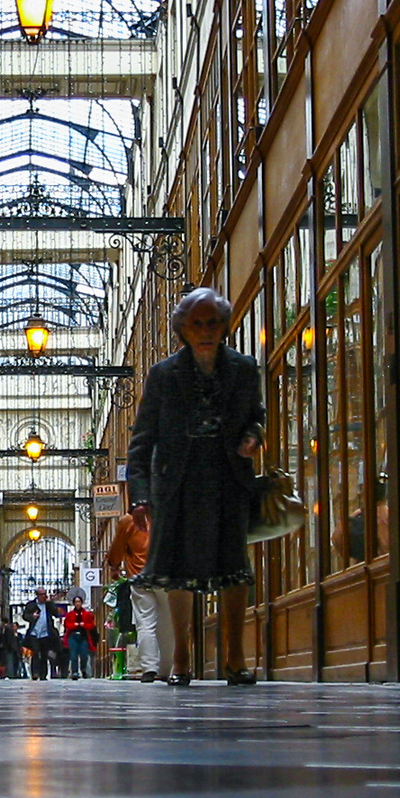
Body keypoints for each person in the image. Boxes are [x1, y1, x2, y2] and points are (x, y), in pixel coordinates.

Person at [126, 287, 265, 686]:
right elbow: (143, 437)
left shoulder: (243, 368)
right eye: (196, 324)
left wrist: (253, 437)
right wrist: (141, 494)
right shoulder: (164, 374)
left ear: (224, 326)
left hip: (227, 480)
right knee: (177, 572)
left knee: (234, 569)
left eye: (212, 323)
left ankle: (235, 659)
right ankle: (182, 658)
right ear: (183, 329)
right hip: (177, 485)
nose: (205, 331)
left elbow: (257, 415)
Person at [107, 509, 173, 682]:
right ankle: (169, 669)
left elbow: (117, 548)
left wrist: (114, 567)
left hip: (139, 577)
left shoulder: (128, 521)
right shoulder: (166, 513)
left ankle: (149, 668)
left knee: (145, 624)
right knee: (167, 623)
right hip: (164, 575)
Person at [20, 587, 62, 680]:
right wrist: (32, 617)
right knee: (35, 652)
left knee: (44, 654)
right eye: (42, 594)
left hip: (46, 633)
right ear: (37, 595)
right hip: (34, 633)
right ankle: (35, 673)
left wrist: (50, 602)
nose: (44, 596)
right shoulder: (31, 605)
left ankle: (43, 674)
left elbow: (56, 613)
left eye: (45, 594)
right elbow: (25, 616)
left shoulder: (48, 605)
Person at [63, 590, 96, 679]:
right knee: (73, 654)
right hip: (73, 636)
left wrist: (84, 625)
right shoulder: (70, 614)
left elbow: (91, 625)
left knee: (84, 654)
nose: (78, 604)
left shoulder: (87, 614)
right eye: (76, 602)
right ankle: (74, 672)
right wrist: (74, 625)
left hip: (83, 636)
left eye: (79, 602)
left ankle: (83, 669)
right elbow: (67, 624)